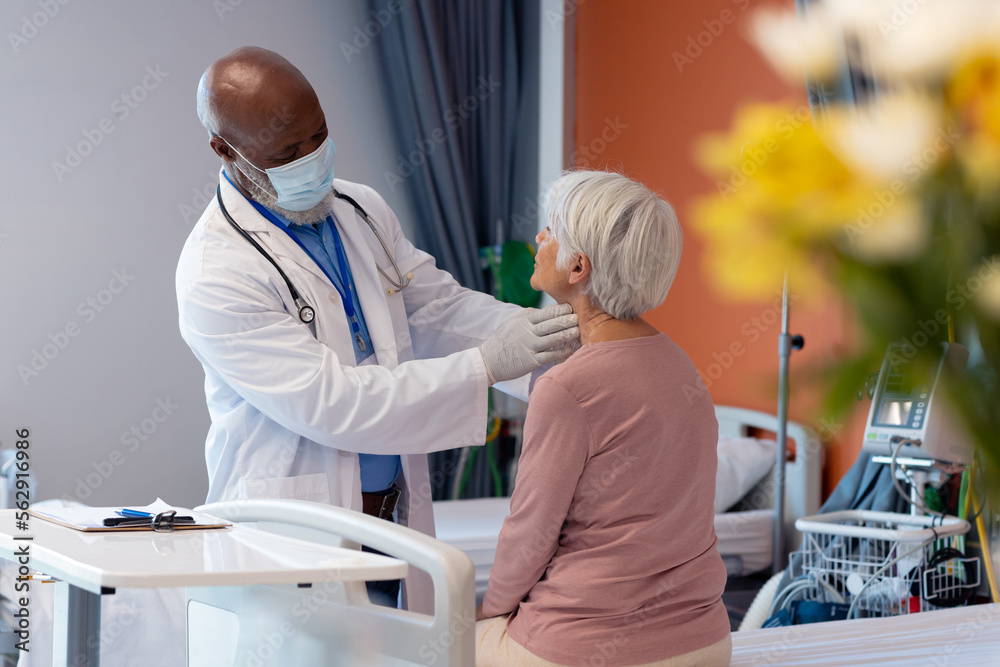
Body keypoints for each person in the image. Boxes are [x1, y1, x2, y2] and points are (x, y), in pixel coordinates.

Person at [175, 47, 578, 612]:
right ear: (225, 149)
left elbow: (439, 309)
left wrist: (557, 342)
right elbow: (334, 405)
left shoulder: (359, 210)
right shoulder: (215, 273)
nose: (314, 158)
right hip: (295, 531)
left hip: (392, 514)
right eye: (290, 151)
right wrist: (486, 364)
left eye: (319, 136)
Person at [475, 171, 731, 666]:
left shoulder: (566, 387)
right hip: (704, 644)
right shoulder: (682, 366)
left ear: (578, 267)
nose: (538, 239)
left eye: (550, 230)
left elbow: (529, 536)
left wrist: (488, 611)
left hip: (581, 650)